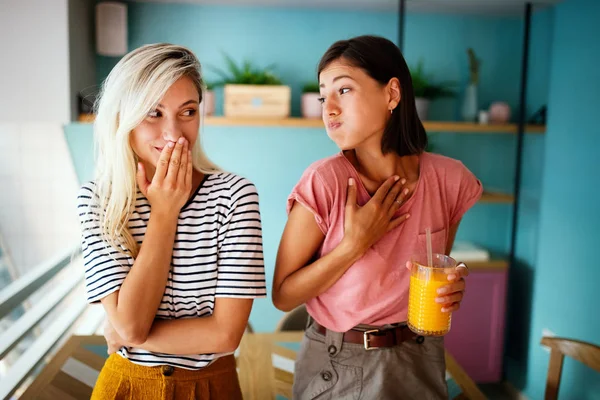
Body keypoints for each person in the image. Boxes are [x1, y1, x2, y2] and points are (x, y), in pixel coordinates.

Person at [272, 35, 483, 399]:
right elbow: (282, 295)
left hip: (420, 356)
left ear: (392, 94)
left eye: (344, 90)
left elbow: (437, 267)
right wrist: (353, 245)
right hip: (339, 362)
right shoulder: (325, 182)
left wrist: (452, 284)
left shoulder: (451, 180)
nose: (329, 108)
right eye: (325, 96)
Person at [77, 43, 266, 400]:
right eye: (154, 113)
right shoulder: (99, 199)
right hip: (126, 385)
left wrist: (127, 334)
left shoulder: (235, 195)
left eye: (188, 112)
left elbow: (226, 335)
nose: (174, 133)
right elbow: (131, 324)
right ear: (123, 117)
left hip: (212, 385)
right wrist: (164, 213)